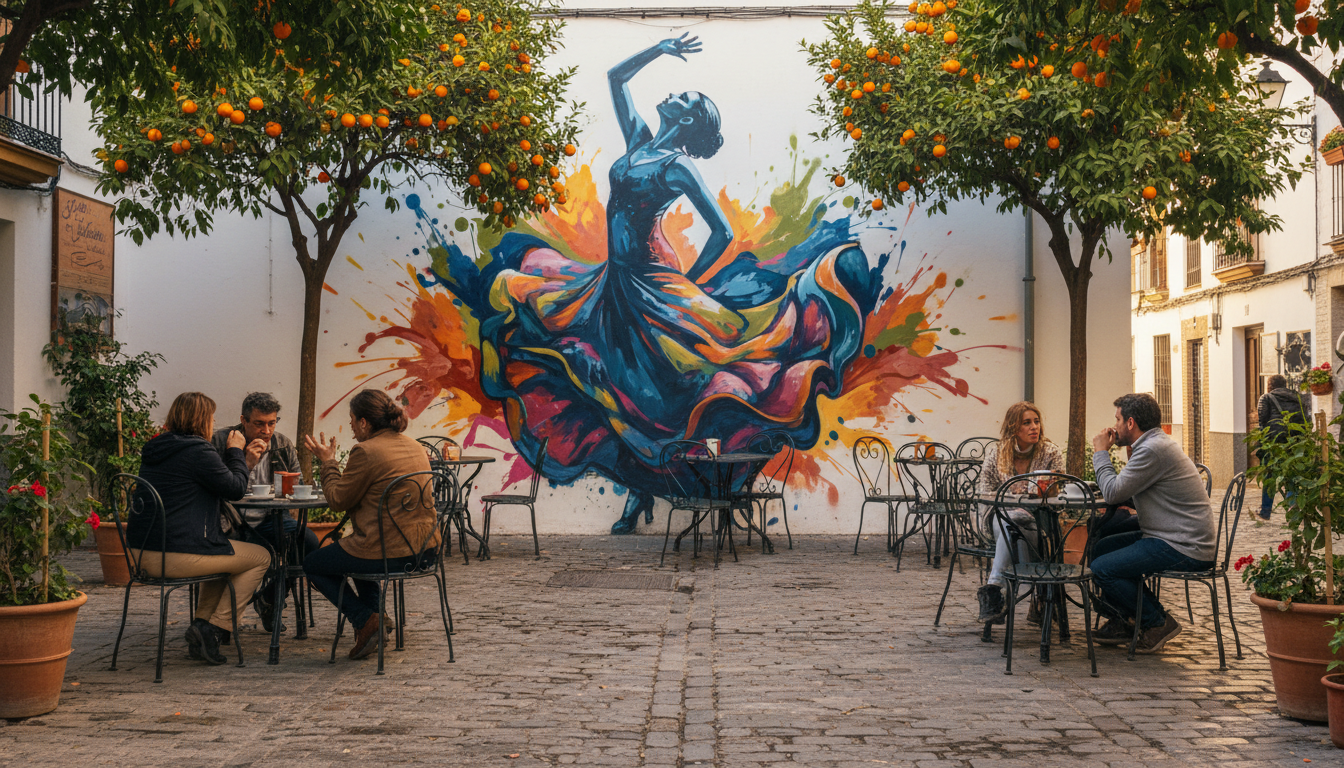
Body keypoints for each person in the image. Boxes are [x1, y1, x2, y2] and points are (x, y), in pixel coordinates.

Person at [429, 35, 876, 535]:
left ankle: (698, 490)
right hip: (613, 282)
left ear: (687, 120)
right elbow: (616, 79)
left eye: (685, 98)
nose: (675, 95)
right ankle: (641, 494)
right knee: (622, 386)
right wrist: (658, 49)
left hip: (652, 282)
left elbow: (722, 231)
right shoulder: (640, 141)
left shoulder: (675, 165)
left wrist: (687, 282)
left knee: (666, 391)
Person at [128, 392, 271, 665]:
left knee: (225, 557)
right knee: (261, 557)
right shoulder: (198, 451)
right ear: (202, 420)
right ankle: (215, 628)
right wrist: (234, 452)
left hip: (141, 551)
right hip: (175, 555)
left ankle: (202, 628)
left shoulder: (157, 448)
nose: (213, 422)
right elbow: (235, 488)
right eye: (212, 418)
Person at [302, 389, 439, 660]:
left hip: (390, 553)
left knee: (313, 564)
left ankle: (365, 619)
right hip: (425, 550)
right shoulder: (413, 445)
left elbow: (338, 500)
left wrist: (328, 463)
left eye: (352, 420)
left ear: (364, 422)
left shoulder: (366, 451)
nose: (352, 428)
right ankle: (377, 621)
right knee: (353, 551)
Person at [1090, 393, 1217, 653]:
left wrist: (1100, 453)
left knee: (1103, 567)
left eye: (1117, 419)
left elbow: (1113, 493)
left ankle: (1156, 622)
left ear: (1130, 423)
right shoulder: (1153, 444)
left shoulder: (1152, 449)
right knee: (1101, 548)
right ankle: (1125, 619)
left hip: (1184, 545)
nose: (1113, 425)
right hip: (1170, 535)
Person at [210, 392, 317, 630]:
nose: (266, 431)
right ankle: (220, 620)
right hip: (229, 521)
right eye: (259, 424)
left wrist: (290, 490)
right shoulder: (221, 441)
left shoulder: (281, 444)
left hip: (270, 518)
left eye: (271, 423)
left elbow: (296, 484)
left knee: (307, 543)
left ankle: (270, 598)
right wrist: (243, 461)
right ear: (244, 420)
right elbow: (214, 489)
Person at [975, 401, 1065, 623]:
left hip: (1039, 524)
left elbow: (1060, 492)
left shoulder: (1050, 452)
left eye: (1036, 422)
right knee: (1011, 519)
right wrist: (1013, 497)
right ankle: (1041, 595)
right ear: (1014, 428)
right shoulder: (997, 453)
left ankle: (994, 590)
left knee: (1015, 522)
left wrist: (1037, 493)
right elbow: (984, 492)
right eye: (1027, 423)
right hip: (997, 520)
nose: (1034, 427)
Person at [1255, 374, 1307, 520]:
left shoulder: (1266, 398)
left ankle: (1265, 510)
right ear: (1285, 385)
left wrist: (1261, 442)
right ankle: (1292, 509)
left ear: (1270, 386)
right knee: (1292, 474)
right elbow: (1306, 418)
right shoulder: (1297, 397)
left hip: (1274, 444)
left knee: (1269, 476)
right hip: (1295, 443)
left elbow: (1262, 422)